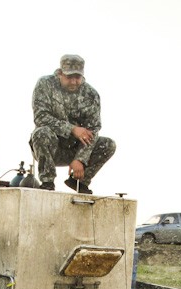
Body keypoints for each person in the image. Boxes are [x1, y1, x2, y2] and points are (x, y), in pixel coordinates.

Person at [30, 54, 116, 194]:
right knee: (41, 132)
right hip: (50, 147)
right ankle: (47, 182)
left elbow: (92, 130)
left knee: (108, 144)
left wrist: (80, 159)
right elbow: (41, 117)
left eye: (77, 77)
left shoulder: (91, 95)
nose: (74, 82)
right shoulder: (45, 84)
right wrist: (72, 129)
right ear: (60, 73)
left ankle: (79, 182)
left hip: (75, 149)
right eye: (69, 77)